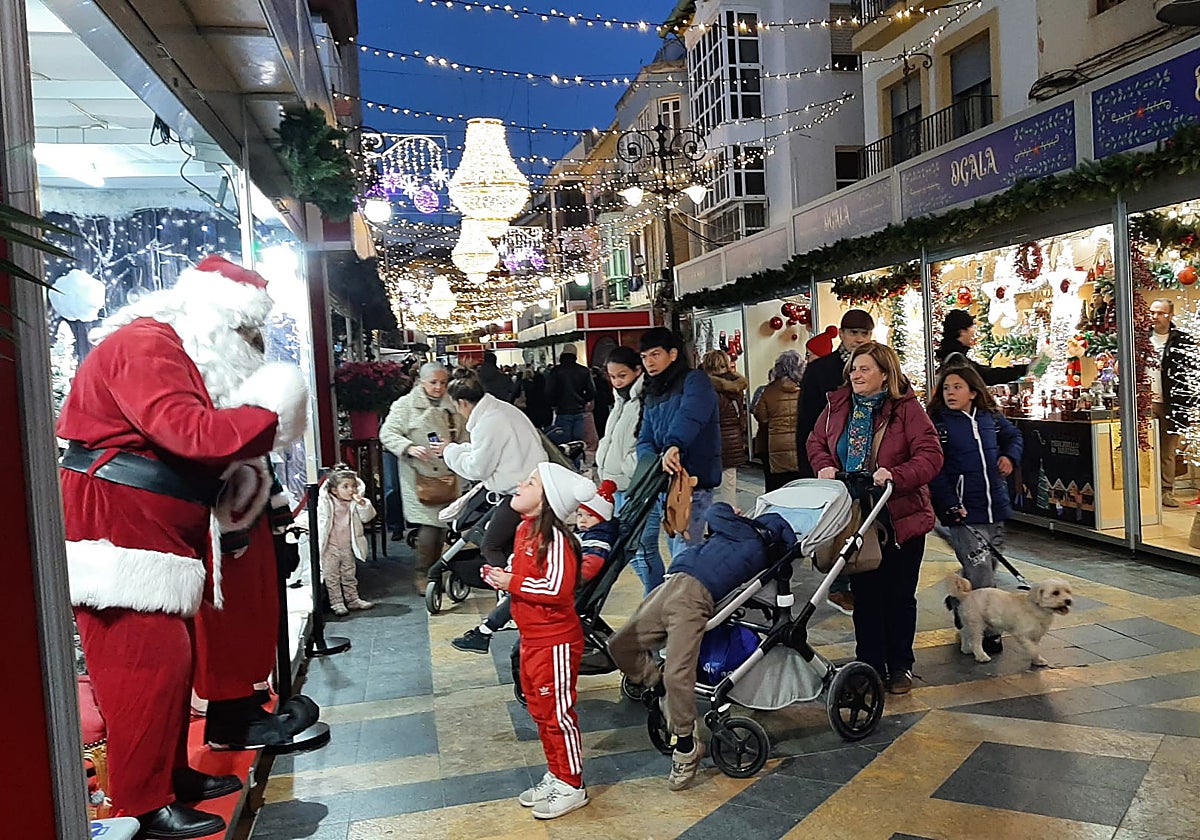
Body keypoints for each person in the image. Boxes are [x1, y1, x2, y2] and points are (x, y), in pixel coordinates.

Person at [58, 254, 310, 838]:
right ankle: (142, 805)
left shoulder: (170, 347)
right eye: (245, 333)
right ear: (216, 318)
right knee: (144, 666)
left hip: (151, 525)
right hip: (120, 528)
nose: (250, 346)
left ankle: (169, 779)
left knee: (170, 664)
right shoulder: (147, 346)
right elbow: (191, 433)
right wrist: (269, 407)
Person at [609, 503, 795, 791]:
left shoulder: (749, 538)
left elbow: (713, 511)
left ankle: (686, 746)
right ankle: (657, 685)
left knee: (678, 673)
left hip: (692, 597)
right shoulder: (736, 539)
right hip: (673, 585)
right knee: (620, 644)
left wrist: (733, 513)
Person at [807, 341, 943, 695]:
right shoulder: (838, 405)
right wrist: (824, 465)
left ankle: (900, 665)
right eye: (853, 368)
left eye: (865, 368)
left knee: (898, 596)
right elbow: (816, 441)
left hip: (900, 517)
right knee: (865, 595)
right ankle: (869, 665)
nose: (856, 374)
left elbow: (930, 455)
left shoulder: (906, 409)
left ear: (885, 373)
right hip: (856, 516)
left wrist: (896, 474)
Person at [481, 463, 598, 819]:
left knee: (557, 713)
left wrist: (510, 583)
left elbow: (556, 589)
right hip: (533, 638)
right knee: (540, 710)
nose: (520, 484)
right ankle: (557, 773)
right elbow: (528, 575)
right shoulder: (524, 530)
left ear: (547, 499)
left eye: (530, 482)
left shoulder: (556, 539)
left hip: (555, 641)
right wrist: (505, 576)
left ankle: (572, 783)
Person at [195, 458, 326, 753]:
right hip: (225, 518)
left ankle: (244, 709)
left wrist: (280, 521)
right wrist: (229, 526)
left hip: (250, 512)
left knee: (255, 617)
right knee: (229, 622)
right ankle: (230, 721)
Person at [451, 479, 619, 653]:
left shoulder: (596, 540)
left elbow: (587, 568)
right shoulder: (586, 535)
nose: (583, 520)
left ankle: (484, 632)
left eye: (590, 516)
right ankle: (484, 631)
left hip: (566, 588)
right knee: (518, 590)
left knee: (520, 593)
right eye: (580, 515)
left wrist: (565, 576)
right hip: (564, 583)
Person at [927, 359, 1024, 654]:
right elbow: (936, 470)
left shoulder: (989, 417)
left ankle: (960, 604)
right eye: (946, 388)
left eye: (957, 387)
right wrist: (950, 504)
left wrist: (1010, 457)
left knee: (987, 563)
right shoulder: (939, 425)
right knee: (982, 572)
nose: (950, 393)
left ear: (973, 391)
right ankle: (989, 631)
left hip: (994, 505)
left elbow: (1014, 436)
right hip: (963, 511)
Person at [796, 310, 875, 616]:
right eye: (854, 333)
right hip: (832, 462)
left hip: (868, 462)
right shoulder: (821, 371)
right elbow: (806, 425)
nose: (859, 339)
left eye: (865, 334)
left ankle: (862, 579)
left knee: (865, 523)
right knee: (839, 525)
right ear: (841, 334)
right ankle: (839, 586)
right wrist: (811, 469)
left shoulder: (878, 366)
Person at [440, 375, 547, 570]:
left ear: (463, 403)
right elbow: (486, 452)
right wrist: (457, 449)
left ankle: (511, 587)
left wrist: (449, 451)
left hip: (520, 491)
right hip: (534, 484)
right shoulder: (503, 409)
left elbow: (477, 468)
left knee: (491, 545)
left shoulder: (488, 422)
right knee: (511, 543)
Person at [637, 328, 722, 558]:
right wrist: (652, 463)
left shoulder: (695, 381)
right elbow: (644, 437)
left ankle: (688, 594)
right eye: (644, 357)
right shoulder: (653, 391)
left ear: (673, 354)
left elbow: (691, 415)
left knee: (686, 554)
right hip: (665, 485)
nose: (649, 363)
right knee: (677, 549)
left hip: (693, 483)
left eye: (655, 354)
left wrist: (673, 445)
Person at [380, 361, 462, 571]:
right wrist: (409, 447)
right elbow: (387, 433)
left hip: (448, 474)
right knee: (429, 527)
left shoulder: (453, 404)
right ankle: (424, 572)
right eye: (433, 382)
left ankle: (435, 571)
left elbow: (465, 434)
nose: (438, 387)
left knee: (443, 526)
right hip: (419, 477)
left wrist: (457, 451)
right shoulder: (405, 405)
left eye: (443, 382)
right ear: (421, 382)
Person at [595, 345, 664, 594]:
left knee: (642, 549)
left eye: (621, 376)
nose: (616, 382)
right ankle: (654, 600)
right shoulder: (620, 402)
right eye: (612, 377)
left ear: (638, 370)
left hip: (637, 487)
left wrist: (625, 467)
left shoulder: (646, 400)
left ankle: (655, 601)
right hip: (616, 488)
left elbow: (649, 445)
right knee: (632, 550)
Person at [1149, 299, 1199, 506]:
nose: (1155, 317)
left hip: (1172, 403)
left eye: (1160, 313)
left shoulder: (1181, 340)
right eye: (1153, 312)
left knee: (1167, 450)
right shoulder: (1141, 339)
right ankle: (1145, 490)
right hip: (1146, 401)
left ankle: (1165, 491)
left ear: (1170, 315)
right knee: (1146, 448)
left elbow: (1190, 372)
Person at [316, 466, 377, 616]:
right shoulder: (326, 503)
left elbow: (367, 517)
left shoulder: (355, 503)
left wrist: (363, 505)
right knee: (332, 576)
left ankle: (352, 599)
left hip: (347, 545)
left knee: (349, 573)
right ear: (334, 490)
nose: (351, 490)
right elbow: (320, 520)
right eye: (346, 487)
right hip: (330, 547)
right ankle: (336, 602)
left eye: (354, 486)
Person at [753, 350, 806, 492]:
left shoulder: (769, 391)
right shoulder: (805, 390)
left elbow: (761, 417)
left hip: (776, 446)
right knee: (801, 487)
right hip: (800, 444)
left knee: (777, 488)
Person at [702, 349, 749, 508]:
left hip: (711, 440)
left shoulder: (707, 389)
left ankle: (708, 523)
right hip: (733, 439)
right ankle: (729, 518)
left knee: (706, 486)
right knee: (729, 485)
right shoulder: (736, 387)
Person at [936, 309, 1028, 385]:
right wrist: (1023, 369)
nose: (974, 331)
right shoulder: (956, 360)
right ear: (962, 331)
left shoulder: (951, 356)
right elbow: (987, 376)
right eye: (972, 326)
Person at [545, 348, 595, 443]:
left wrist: (554, 404)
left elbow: (549, 391)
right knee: (578, 443)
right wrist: (583, 401)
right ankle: (578, 458)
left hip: (562, 410)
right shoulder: (583, 370)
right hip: (579, 410)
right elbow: (592, 391)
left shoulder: (556, 371)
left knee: (563, 442)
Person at [591, 364, 614, 440]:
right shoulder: (604, 381)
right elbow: (609, 393)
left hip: (596, 405)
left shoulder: (592, 382)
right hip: (604, 405)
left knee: (597, 423)